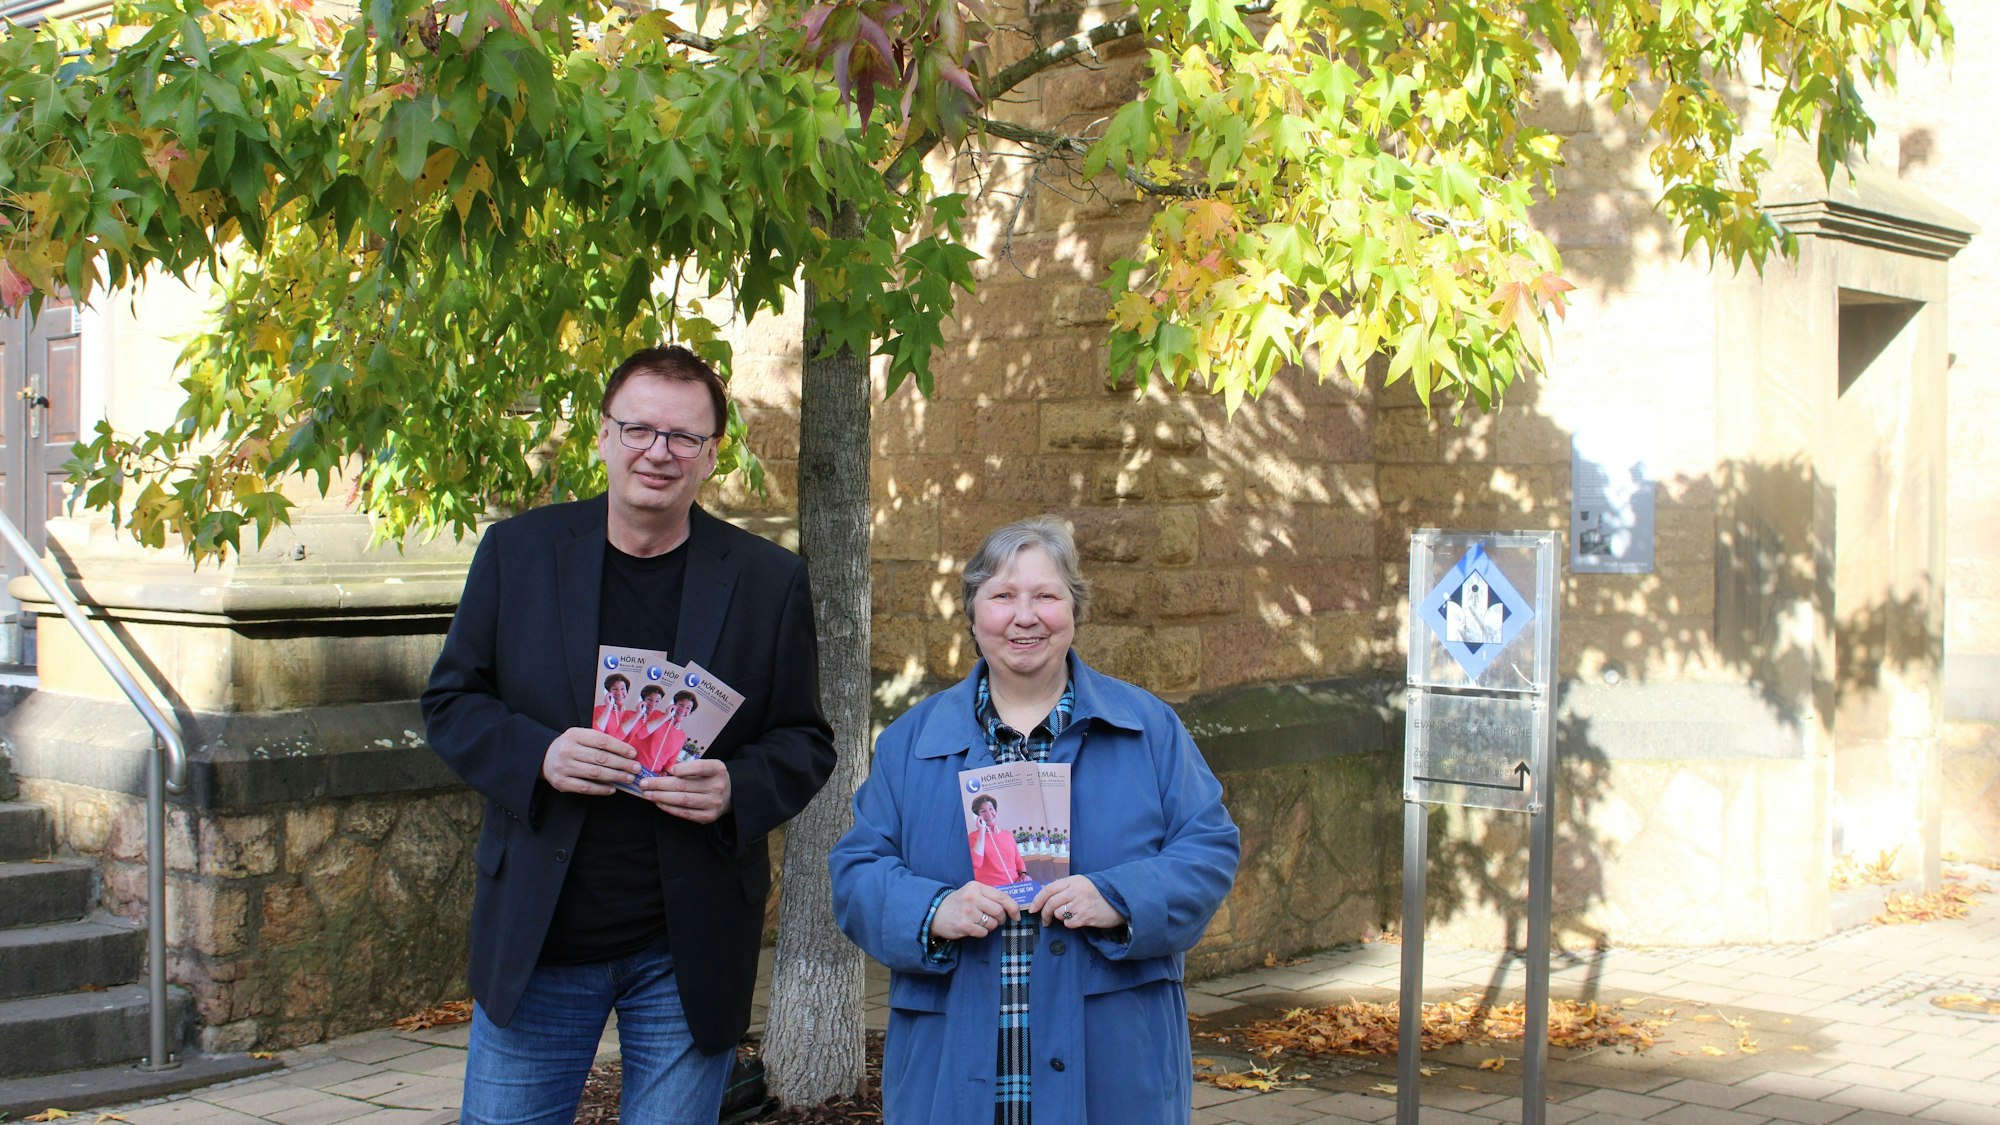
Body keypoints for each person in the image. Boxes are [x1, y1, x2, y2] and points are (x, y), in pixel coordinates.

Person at [422, 345, 836, 1125]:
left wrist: (735, 786)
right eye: (639, 428)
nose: (659, 451)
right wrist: (539, 754)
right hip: (542, 937)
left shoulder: (766, 580)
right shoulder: (519, 554)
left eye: (683, 436)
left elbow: (805, 739)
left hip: (688, 945)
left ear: (713, 455)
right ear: (603, 436)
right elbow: (451, 703)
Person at [830, 516, 1240, 1125]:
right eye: (1002, 596)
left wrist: (1120, 897)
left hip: (1113, 1065)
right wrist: (930, 910)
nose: (1025, 617)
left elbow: (1208, 849)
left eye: (1046, 596)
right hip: (952, 1066)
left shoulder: (1147, 729)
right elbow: (857, 870)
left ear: (1075, 609)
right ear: (973, 613)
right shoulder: (913, 741)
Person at [967, 793, 1025, 886]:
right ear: (977, 816)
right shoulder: (973, 837)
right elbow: (975, 863)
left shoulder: (1007, 834)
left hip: (1015, 887)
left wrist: (1024, 874)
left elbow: (1018, 860)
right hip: (992, 891)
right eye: (983, 811)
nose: (988, 814)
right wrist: (982, 830)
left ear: (995, 810)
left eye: (991, 809)